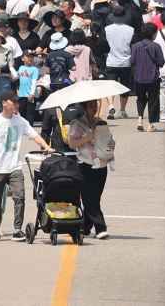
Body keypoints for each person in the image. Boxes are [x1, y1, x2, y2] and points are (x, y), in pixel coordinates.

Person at [0, 92, 51, 241]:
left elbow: (34, 135)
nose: (16, 105)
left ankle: (17, 229)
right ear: (4, 103)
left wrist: (46, 146)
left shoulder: (20, 121)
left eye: (17, 102)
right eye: (13, 102)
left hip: (15, 167)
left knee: (20, 197)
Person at [67, 101, 113, 239]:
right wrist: (87, 137)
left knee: (94, 198)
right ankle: (100, 228)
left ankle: (84, 227)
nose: (94, 108)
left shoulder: (101, 123)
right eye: (91, 106)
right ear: (85, 107)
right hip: (85, 164)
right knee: (89, 198)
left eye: (95, 105)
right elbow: (72, 143)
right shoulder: (77, 124)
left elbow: (109, 141)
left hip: (101, 165)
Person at [130, 23, 164, 132]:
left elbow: (132, 61)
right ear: (153, 34)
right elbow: (161, 62)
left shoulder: (135, 46)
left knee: (140, 99)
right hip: (152, 77)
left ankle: (140, 119)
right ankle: (151, 124)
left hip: (139, 77)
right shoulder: (156, 46)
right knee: (153, 100)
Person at [103, 5, 134, 119]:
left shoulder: (107, 29)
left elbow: (104, 45)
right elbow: (132, 45)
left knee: (110, 86)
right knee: (124, 87)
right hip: (126, 61)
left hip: (111, 60)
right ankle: (122, 110)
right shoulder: (131, 30)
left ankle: (111, 105)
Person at [16, 51, 40, 122]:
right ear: (22, 58)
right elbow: (16, 77)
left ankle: (29, 130)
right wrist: (10, 68)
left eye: (32, 57)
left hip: (30, 95)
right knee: (21, 113)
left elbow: (34, 81)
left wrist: (32, 93)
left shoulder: (34, 69)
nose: (30, 58)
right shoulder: (21, 67)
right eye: (28, 56)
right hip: (21, 94)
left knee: (30, 114)